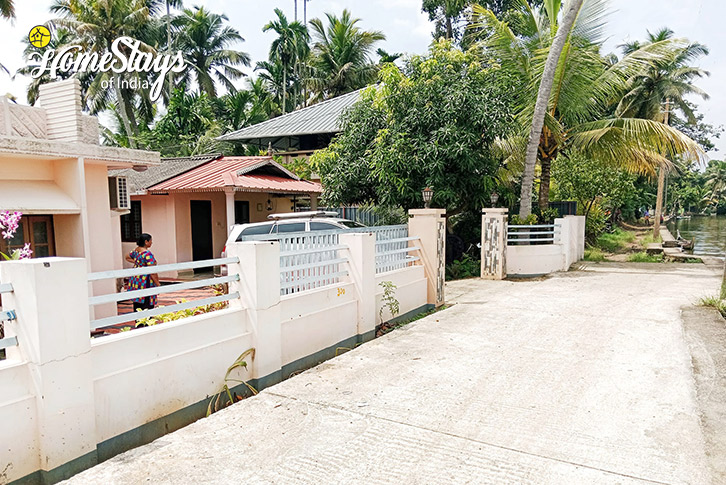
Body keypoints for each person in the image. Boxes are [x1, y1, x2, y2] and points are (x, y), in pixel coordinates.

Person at [125, 233, 160, 312]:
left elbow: (127, 256)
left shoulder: (136, 251)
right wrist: (157, 283)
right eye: (151, 241)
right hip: (145, 280)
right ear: (146, 242)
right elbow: (152, 271)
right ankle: (146, 322)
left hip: (136, 279)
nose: (151, 243)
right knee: (147, 303)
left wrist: (138, 263)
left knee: (137, 302)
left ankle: (138, 322)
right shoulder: (147, 254)